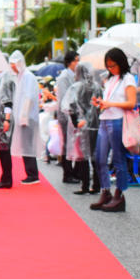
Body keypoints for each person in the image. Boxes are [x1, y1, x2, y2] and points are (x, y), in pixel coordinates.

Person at [90, 47, 136, 212]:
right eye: (108, 66)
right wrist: (101, 103)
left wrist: (110, 104)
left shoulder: (128, 79)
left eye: (113, 65)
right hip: (105, 119)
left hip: (117, 120)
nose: (110, 68)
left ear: (121, 63)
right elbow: (109, 100)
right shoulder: (110, 80)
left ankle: (119, 193)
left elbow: (131, 103)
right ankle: (105, 190)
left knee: (118, 159)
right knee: (100, 158)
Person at [64, 62, 102, 195]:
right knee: (95, 155)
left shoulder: (77, 87)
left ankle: (85, 185)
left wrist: (76, 122)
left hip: (82, 126)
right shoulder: (97, 87)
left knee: (84, 157)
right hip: (96, 126)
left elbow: (70, 106)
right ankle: (96, 185)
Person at [9, 50, 42, 184]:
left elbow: (29, 97)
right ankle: (30, 173)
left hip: (27, 118)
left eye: (13, 64)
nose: (12, 67)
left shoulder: (27, 76)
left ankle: (32, 174)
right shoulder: (21, 76)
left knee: (27, 146)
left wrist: (23, 116)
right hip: (24, 117)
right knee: (25, 145)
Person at [55, 51, 80, 184]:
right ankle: (68, 174)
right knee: (66, 144)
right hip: (66, 114)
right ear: (69, 62)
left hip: (73, 113)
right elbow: (65, 98)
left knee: (73, 144)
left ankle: (74, 172)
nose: (78, 63)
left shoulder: (75, 75)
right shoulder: (64, 77)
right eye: (76, 60)